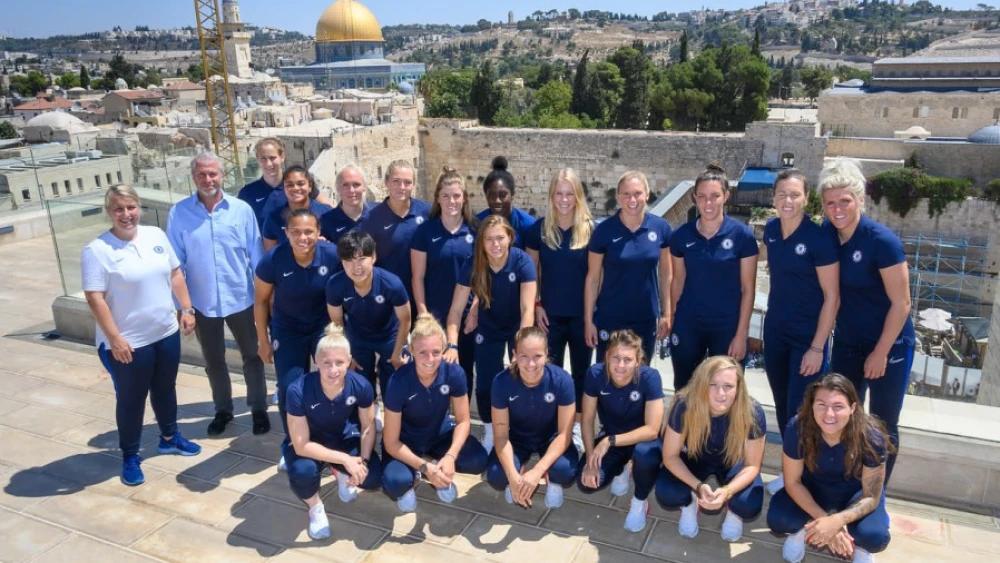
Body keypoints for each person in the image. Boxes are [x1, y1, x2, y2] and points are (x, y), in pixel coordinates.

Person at [82, 185, 202, 486]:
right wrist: (115, 339)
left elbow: (175, 273)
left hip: (165, 332)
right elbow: (95, 298)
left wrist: (187, 309)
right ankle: (130, 455)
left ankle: (170, 437)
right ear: (109, 213)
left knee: (165, 389)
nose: (126, 214)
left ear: (139, 208)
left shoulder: (155, 236)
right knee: (131, 400)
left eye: (131, 207)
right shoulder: (97, 251)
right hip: (129, 343)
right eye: (119, 209)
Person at [820, 158, 913, 483]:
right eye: (830, 203)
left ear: (860, 200)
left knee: (884, 422)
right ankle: (845, 481)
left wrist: (880, 352)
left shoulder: (881, 241)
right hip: (848, 343)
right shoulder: (828, 237)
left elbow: (902, 303)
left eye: (845, 201)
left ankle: (876, 495)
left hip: (889, 346)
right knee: (840, 415)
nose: (837, 209)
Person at [167, 152, 269, 436]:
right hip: (202, 302)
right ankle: (223, 410)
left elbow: (256, 257)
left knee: (253, 355)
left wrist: (263, 300)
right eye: (202, 174)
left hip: (242, 298)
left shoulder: (241, 210)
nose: (208, 179)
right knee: (214, 361)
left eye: (213, 174)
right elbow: (176, 265)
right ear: (193, 177)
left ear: (222, 175)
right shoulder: (179, 213)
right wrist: (183, 308)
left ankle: (258, 408)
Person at [762, 169, 839, 493]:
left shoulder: (819, 238)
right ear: (774, 198)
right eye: (782, 194)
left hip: (807, 340)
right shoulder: (771, 231)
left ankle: (805, 478)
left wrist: (817, 347)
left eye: (794, 194)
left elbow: (832, 297)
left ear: (806, 198)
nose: (787, 200)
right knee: (783, 406)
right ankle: (792, 472)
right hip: (776, 333)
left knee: (802, 411)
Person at [767, 374, 892, 563]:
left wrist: (837, 522)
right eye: (821, 405)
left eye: (838, 406)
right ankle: (806, 530)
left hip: (855, 494)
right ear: (812, 406)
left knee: (874, 537)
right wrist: (825, 521)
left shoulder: (871, 437)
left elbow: (871, 496)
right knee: (779, 519)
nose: (829, 414)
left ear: (853, 408)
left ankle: (859, 546)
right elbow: (792, 482)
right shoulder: (797, 427)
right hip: (813, 489)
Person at [254, 209, 341, 466]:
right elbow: (259, 302)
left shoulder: (332, 255)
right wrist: (263, 340)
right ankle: (293, 443)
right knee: (290, 387)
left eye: (309, 232)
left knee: (333, 379)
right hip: (288, 330)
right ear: (286, 234)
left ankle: (333, 439)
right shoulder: (273, 259)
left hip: (324, 329)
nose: (303, 238)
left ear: (318, 233)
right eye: (296, 232)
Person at [445, 215, 537, 453]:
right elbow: (455, 310)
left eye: (500, 238)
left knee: (522, 378)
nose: (495, 244)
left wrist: (522, 348)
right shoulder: (474, 264)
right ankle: (489, 428)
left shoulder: (522, 261)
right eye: (489, 240)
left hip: (517, 327)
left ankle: (517, 431)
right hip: (488, 329)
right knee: (485, 384)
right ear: (481, 242)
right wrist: (452, 345)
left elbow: (528, 309)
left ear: (510, 238)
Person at [381, 313, 489, 513]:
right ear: (411, 350)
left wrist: (450, 456)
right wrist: (423, 468)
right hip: (406, 441)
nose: (430, 359)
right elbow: (391, 442)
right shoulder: (398, 381)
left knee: (478, 460)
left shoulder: (454, 374)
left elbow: (464, 421)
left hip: (439, 435)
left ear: (445, 350)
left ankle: (440, 470)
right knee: (395, 482)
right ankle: (415, 476)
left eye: (436, 352)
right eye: (422, 352)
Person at [285, 323, 382, 540]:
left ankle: (340, 472)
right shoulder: (297, 390)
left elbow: (367, 426)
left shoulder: (361, 385)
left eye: (339, 362)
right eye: (326, 363)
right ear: (316, 361)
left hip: (344, 438)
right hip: (311, 443)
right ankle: (314, 506)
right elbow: (301, 445)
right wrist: (345, 460)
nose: (333, 370)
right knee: (302, 473)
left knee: (373, 477)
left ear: (349, 361)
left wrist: (362, 462)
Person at [655, 356, 765, 543]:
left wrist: (727, 492)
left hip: (732, 461)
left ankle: (734, 513)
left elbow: (752, 466)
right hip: (695, 457)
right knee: (667, 493)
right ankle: (688, 504)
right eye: (712, 385)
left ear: (738, 388)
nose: (720, 393)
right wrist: (697, 486)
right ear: (701, 384)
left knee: (748, 504)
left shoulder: (752, 411)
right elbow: (670, 456)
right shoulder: (685, 404)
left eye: (728, 386)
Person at [669, 164, 759, 390]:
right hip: (689, 323)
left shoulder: (742, 236)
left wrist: (742, 335)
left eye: (714, 196)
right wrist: (672, 319)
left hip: (727, 326)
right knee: (685, 388)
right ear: (694, 198)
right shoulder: (681, 236)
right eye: (702, 197)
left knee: (727, 390)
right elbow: (677, 281)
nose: (708, 203)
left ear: (726, 196)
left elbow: (748, 289)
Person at [524, 168, 594, 451]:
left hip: (580, 317)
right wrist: (537, 304)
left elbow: (596, 277)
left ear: (577, 196)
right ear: (551, 197)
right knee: (548, 373)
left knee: (580, 373)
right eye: (558, 194)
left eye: (569, 194)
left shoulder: (591, 230)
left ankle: (574, 429)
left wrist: (591, 317)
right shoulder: (538, 230)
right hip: (549, 316)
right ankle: (548, 427)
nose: (564, 200)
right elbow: (532, 275)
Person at [577, 330, 664, 533]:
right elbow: (587, 419)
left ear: (638, 361)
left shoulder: (650, 378)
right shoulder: (595, 374)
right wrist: (591, 459)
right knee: (587, 483)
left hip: (641, 440)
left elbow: (652, 430)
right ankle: (620, 467)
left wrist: (608, 441)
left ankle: (639, 501)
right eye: (616, 357)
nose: (621, 365)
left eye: (628, 359)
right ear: (607, 356)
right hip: (613, 437)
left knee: (645, 456)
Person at [326, 231, 411, 430]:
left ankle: (393, 414)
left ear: (373, 257)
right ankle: (371, 411)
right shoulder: (335, 284)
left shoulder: (391, 283)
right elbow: (337, 322)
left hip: (389, 334)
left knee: (394, 378)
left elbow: (405, 319)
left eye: (362, 259)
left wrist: (398, 352)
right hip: (358, 335)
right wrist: (346, 353)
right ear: (342, 262)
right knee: (361, 378)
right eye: (349, 260)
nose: (356, 267)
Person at [584, 171, 672, 364]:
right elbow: (593, 278)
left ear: (647, 195)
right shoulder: (604, 231)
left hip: (645, 318)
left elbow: (666, 274)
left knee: (642, 378)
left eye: (638, 193)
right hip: (610, 318)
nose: (632, 199)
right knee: (607, 377)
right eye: (626, 194)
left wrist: (667, 313)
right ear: (618, 197)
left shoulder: (661, 228)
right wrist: (589, 320)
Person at [486, 327, 578, 510]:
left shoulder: (562, 381)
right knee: (497, 476)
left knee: (564, 472)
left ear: (546, 355)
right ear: (514, 355)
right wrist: (512, 477)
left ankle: (551, 480)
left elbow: (564, 434)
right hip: (517, 439)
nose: (530, 364)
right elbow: (501, 435)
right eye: (523, 356)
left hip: (551, 437)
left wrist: (538, 471)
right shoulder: (501, 382)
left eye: (537, 356)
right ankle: (519, 472)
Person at [410, 167, 478, 391]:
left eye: (457, 196)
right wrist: (423, 315)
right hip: (435, 314)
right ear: (438, 198)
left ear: (464, 198)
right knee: (431, 371)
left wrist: (475, 309)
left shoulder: (475, 230)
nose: (452, 201)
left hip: (467, 316)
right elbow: (417, 277)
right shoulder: (425, 231)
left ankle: (463, 423)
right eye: (446, 196)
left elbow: (483, 276)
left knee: (463, 371)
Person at [360, 160, 430, 306]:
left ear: (414, 185)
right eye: (396, 181)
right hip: (389, 298)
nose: (402, 187)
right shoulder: (372, 219)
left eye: (407, 182)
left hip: (425, 295)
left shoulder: (427, 212)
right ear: (386, 182)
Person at [262, 166, 333, 251]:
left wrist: (327, 244)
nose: (295, 188)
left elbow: (338, 246)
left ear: (310, 186)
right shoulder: (274, 218)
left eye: (300, 184)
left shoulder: (327, 213)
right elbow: (270, 255)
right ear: (284, 188)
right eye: (290, 185)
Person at [475, 156, 535, 248]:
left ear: (512, 195)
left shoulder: (528, 226)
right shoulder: (477, 224)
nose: (497, 201)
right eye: (492, 195)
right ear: (486, 196)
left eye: (503, 195)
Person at [238, 137, 286, 230]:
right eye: (263, 158)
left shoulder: (296, 188)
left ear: (282, 157)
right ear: (257, 160)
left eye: (272, 158)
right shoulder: (247, 193)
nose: (268, 164)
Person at [320, 164, 374, 244]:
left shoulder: (379, 213)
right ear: (337, 188)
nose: (351, 190)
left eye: (356, 184)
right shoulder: (326, 221)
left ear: (364, 187)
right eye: (345, 185)